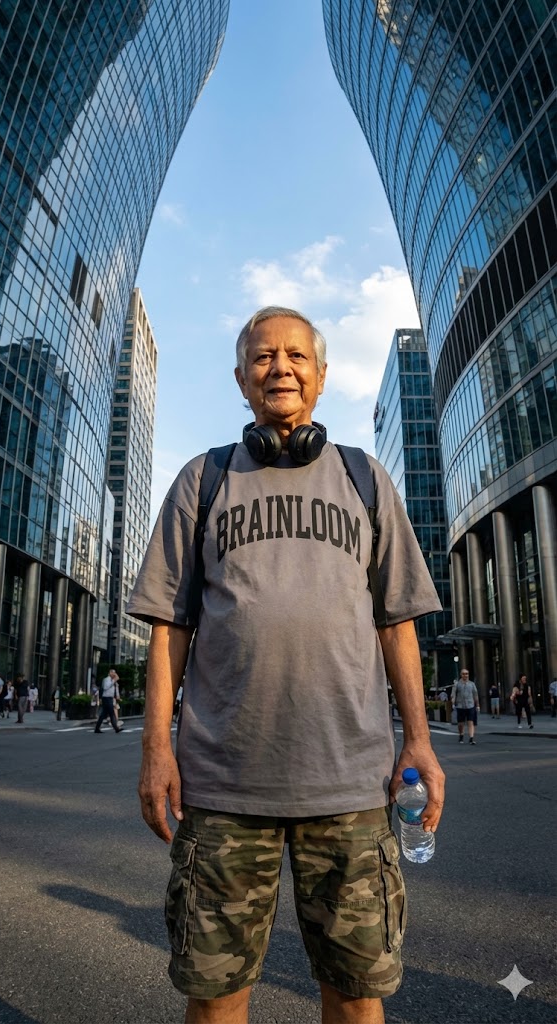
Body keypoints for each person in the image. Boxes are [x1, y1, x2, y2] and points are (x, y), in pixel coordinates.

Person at [127, 306, 445, 1024]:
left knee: (358, 997)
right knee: (213, 998)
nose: (281, 368)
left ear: (322, 378)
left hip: (352, 787)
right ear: (241, 378)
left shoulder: (365, 478)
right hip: (223, 789)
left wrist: (419, 742)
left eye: (297, 356)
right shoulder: (202, 480)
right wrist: (155, 749)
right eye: (264, 357)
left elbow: (397, 625)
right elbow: (169, 630)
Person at [451, 669, 479, 744]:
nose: (465, 675)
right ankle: (461, 735)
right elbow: (453, 694)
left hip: (470, 705)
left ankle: (471, 738)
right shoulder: (457, 684)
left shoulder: (472, 684)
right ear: (461, 675)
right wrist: (453, 703)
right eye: (463, 674)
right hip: (460, 705)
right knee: (461, 723)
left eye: (466, 674)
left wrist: (477, 705)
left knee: (471, 721)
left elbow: (475, 695)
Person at [94, 669, 123, 734]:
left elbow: (116, 689)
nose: (114, 674)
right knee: (111, 713)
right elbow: (105, 687)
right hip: (106, 698)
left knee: (104, 714)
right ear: (109, 673)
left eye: (115, 673)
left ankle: (97, 728)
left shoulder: (114, 681)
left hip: (110, 698)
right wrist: (113, 681)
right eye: (113, 673)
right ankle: (116, 728)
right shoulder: (106, 679)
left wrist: (117, 696)